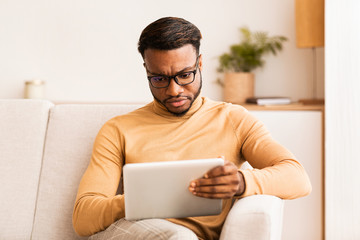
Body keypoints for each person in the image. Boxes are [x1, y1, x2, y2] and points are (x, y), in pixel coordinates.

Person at [72, 17, 312, 240]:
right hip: (136, 231)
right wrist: (139, 201)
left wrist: (241, 182)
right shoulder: (118, 129)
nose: (174, 90)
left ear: (200, 64)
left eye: (185, 75)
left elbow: (298, 178)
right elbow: (83, 217)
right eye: (159, 79)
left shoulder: (233, 119)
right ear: (146, 70)